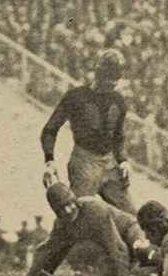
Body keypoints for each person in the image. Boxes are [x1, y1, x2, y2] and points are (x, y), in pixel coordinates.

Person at [41, 49, 134, 213]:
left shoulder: (118, 101)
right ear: (98, 74)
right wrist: (49, 160)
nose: (110, 85)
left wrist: (123, 160)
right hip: (84, 162)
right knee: (77, 217)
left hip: (110, 163)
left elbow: (118, 136)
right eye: (108, 79)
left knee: (131, 217)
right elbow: (50, 129)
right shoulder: (76, 97)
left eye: (114, 81)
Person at [24, 184, 150, 276]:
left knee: (140, 247)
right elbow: (50, 249)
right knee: (97, 273)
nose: (68, 210)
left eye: (69, 203)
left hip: (128, 232)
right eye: (61, 209)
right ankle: (130, 275)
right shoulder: (61, 224)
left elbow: (117, 246)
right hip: (108, 244)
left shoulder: (94, 210)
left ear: (74, 199)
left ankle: (151, 270)